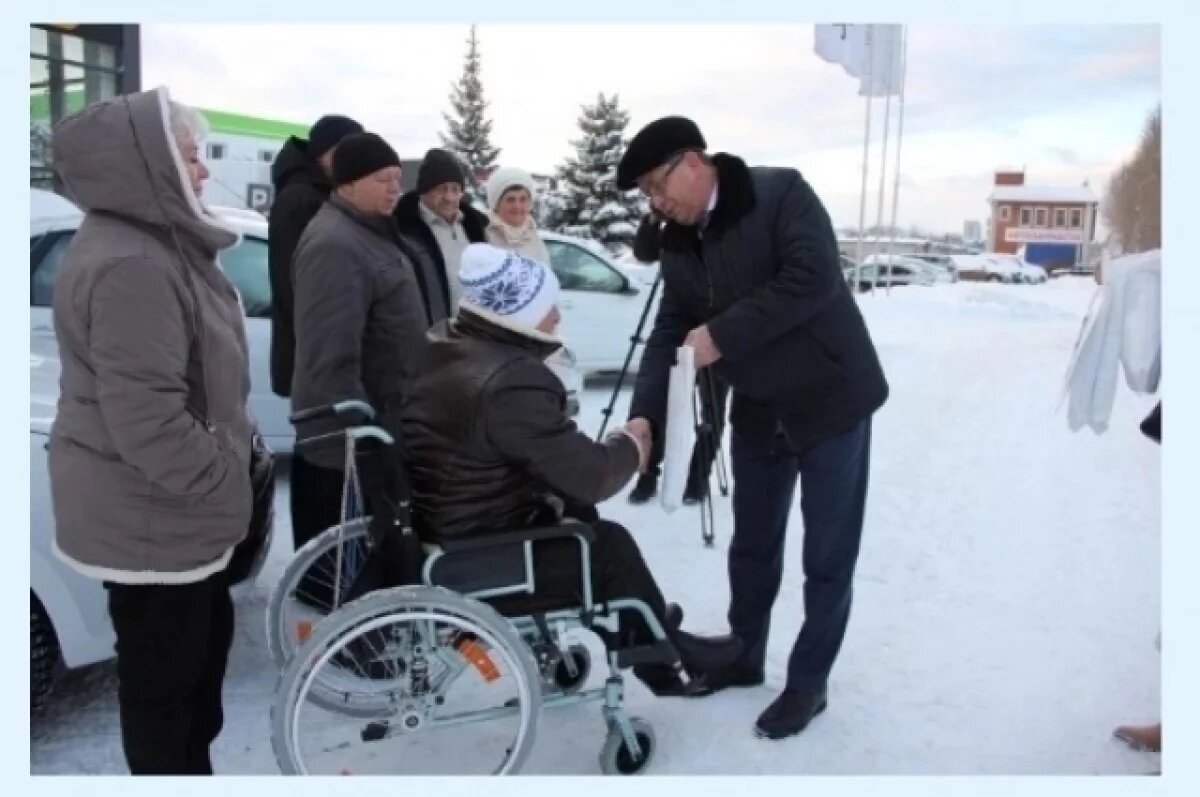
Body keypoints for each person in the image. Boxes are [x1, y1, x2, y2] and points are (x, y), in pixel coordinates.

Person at [617, 116, 889, 739]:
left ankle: (808, 682)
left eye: (658, 188)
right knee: (753, 544)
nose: (655, 206)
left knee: (826, 554)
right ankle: (743, 655)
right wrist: (644, 415)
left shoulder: (779, 194)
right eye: (646, 198)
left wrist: (722, 334)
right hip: (761, 405)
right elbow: (669, 331)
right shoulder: (679, 239)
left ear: (692, 162)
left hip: (831, 398)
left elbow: (813, 279)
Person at [401, 243, 743, 695]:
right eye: (547, 307)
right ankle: (666, 663)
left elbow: (541, 454)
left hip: (448, 524)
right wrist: (631, 446)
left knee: (581, 515)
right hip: (482, 554)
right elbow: (593, 475)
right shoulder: (510, 379)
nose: (557, 317)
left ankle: (643, 622)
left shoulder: (449, 344)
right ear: (517, 312)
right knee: (609, 547)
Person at [48, 87, 256, 774]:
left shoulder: (155, 243)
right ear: (150, 165)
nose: (203, 171)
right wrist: (224, 477)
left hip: (169, 518)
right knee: (168, 703)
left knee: (188, 691)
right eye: (192, 157)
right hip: (154, 521)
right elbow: (147, 419)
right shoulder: (133, 263)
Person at [290, 132, 429, 469]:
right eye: (382, 179)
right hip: (352, 446)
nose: (395, 187)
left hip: (389, 418)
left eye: (397, 178)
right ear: (347, 185)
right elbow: (329, 355)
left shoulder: (371, 230)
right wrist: (357, 438)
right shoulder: (335, 245)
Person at [266, 113, 363, 553]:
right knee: (318, 457)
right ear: (322, 152)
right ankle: (314, 566)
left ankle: (325, 558)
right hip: (311, 350)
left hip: (317, 349)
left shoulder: (316, 194)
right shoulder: (299, 201)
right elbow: (297, 287)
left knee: (328, 458)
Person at [625, 210, 731, 506]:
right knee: (655, 397)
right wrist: (651, 219)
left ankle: (698, 478)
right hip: (673, 319)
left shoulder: (726, 226)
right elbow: (644, 252)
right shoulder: (673, 222)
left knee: (713, 406)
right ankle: (647, 474)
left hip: (717, 321)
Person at [393, 147, 490, 315]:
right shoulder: (404, 231)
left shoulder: (474, 228)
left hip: (473, 332)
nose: (449, 197)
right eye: (441, 189)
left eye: (455, 189)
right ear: (424, 190)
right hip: (432, 334)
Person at [484, 166, 550, 264]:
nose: (517, 206)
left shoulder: (533, 238)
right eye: (510, 200)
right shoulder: (482, 236)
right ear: (496, 204)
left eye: (523, 199)